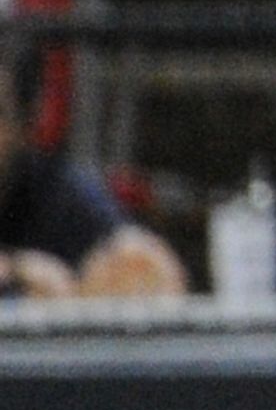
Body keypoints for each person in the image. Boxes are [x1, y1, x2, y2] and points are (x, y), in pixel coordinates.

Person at [0, 39, 183, 300]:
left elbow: (148, 264)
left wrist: (75, 297)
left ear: (26, 127)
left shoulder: (54, 191)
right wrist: (16, 271)